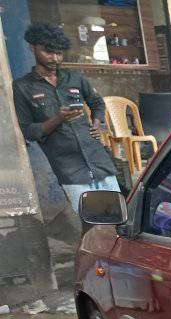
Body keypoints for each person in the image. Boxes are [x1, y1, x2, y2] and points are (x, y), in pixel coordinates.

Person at [13, 23, 118, 213]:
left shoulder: (74, 78)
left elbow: (97, 103)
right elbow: (28, 130)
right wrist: (58, 119)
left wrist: (97, 124)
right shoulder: (22, 87)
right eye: (48, 52)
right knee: (90, 220)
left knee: (117, 216)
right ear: (32, 47)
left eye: (59, 53)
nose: (55, 58)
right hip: (69, 168)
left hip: (99, 160)